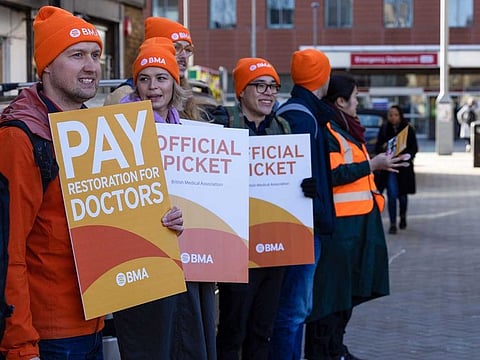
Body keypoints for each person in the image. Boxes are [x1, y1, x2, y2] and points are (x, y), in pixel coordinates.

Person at [0, 6, 184, 360]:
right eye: (77, 55)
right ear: (47, 65)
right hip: (48, 336)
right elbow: (9, 253)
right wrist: (21, 345)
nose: (91, 66)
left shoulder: (97, 129)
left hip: (94, 321)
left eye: (96, 55)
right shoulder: (20, 137)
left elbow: (114, 218)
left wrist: (161, 222)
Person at [304, 74, 408, 360]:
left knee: (345, 294)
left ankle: (335, 349)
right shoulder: (331, 131)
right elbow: (333, 175)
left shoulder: (346, 128)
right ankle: (325, 351)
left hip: (356, 225)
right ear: (340, 101)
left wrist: (377, 163)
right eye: (355, 97)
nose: (358, 103)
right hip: (340, 228)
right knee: (331, 297)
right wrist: (372, 164)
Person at [215, 57, 289, 360]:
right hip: (237, 245)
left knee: (263, 328)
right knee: (233, 328)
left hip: (275, 246)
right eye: (260, 85)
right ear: (242, 91)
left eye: (273, 86)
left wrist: (303, 185)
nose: (268, 92)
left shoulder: (283, 127)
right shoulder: (223, 123)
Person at [269, 49, 336, 360]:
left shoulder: (302, 111)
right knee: (294, 310)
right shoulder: (302, 115)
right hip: (302, 225)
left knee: (296, 308)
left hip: (306, 221)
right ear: (322, 77)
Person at [104, 17, 230, 126]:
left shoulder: (186, 94)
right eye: (176, 48)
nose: (184, 56)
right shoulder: (124, 97)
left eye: (188, 50)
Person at [374, 105, 418, 234]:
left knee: (402, 196)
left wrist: (408, 155)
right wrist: (384, 147)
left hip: (403, 167)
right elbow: (378, 147)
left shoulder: (408, 129)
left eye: (396, 115)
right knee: (392, 195)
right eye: (390, 115)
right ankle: (393, 223)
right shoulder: (384, 129)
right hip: (390, 167)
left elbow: (414, 147)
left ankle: (403, 216)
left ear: (400, 115)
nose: (393, 117)